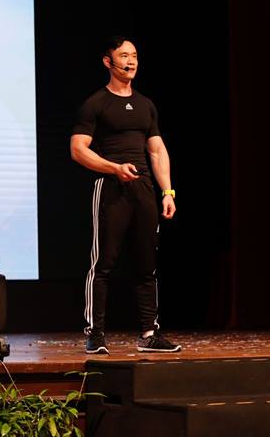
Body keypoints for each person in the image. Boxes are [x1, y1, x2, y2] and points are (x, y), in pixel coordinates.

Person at [70, 36, 181, 354]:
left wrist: (168, 192)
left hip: (143, 190)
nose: (130, 61)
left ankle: (149, 334)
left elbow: (157, 151)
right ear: (108, 62)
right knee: (103, 264)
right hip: (110, 188)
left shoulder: (146, 105)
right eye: (123, 56)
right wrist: (113, 168)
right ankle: (95, 334)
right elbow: (78, 149)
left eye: (134, 56)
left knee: (147, 265)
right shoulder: (96, 104)